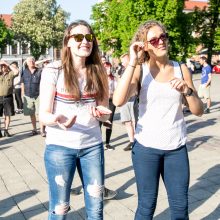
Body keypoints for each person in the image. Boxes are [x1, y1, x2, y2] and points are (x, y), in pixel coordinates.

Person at [113, 20, 203, 219]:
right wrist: (132, 62)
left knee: (180, 208)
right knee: (146, 206)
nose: (160, 42)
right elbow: (118, 100)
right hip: (146, 149)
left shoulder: (181, 69)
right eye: (153, 40)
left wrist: (186, 91)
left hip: (176, 148)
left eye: (163, 37)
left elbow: (198, 111)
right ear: (144, 45)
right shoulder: (140, 70)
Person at [39, 20, 110, 220]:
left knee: (96, 209)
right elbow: (42, 114)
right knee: (60, 209)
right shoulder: (53, 70)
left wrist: (102, 114)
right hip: (60, 147)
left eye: (89, 37)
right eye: (78, 37)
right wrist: (56, 119)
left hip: (92, 146)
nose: (85, 41)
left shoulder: (99, 70)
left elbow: (105, 112)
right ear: (68, 42)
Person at [21, 56, 46, 136]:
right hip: (28, 95)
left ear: (34, 62)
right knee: (31, 114)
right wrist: (22, 94)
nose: (31, 62)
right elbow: (22, 83)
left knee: (40, 113)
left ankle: (42, 130)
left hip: (39, 95)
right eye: (29, 61)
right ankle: (34, 129)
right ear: (27, 63)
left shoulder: (40, 71)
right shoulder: (24, 71)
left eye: (32, 61)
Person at [119, 53, 138, 151]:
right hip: (124, 100)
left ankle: (137, 140)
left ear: (128, 60)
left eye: (123, 61)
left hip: (132, 99)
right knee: (127, 121)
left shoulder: (134, 71)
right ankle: (131, 141)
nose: (122, 63)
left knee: (135, 121)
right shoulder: (123, 71)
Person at [100, 56, 117, 151]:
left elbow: (117, 90)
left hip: (111, 101)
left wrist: (113, 93)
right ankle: (99, 143)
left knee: (109, 122)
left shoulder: (113, 78)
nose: (108, 69)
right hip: (101, 101)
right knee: (99, 122)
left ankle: (107, 143)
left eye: (109, 67)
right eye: (106, 67)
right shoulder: (100, 78)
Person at [0, 60, 19, 137]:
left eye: (4, 66)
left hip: (8, 97)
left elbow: (16, 71)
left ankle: (6, 130)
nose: (3, 67)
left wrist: (7, 63)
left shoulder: (10, 74)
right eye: (2, 66)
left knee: (8, 115)